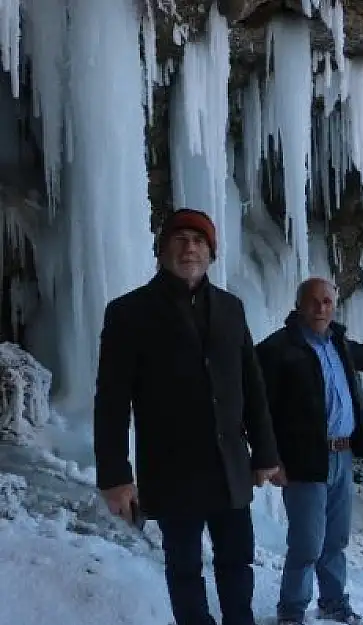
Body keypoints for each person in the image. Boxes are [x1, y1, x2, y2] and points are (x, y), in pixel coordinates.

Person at [93, 208, 281, 625]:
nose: (189, 247)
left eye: (199, 240)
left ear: (211, 253)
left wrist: (266, 453)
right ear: (162, 252)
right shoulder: (129, 312)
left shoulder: (232, 309)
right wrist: (114, 475)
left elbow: (252, 387)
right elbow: (111, 400)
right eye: (179, 239)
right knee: (184, 570)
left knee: (238, 564)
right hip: (172, 468)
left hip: (229, 465)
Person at [256, 277, 363, 625]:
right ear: (298, 306)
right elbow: (256, 407)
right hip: (302, 460)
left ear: (334, 305)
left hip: (341, 455)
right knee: (307, 542)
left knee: (336, 539)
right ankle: (292, 613)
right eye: (313, 301)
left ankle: (333, 604)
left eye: (327, 301)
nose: (321, 307)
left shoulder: (338, 342)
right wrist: (269, 459)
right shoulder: (277, 349)